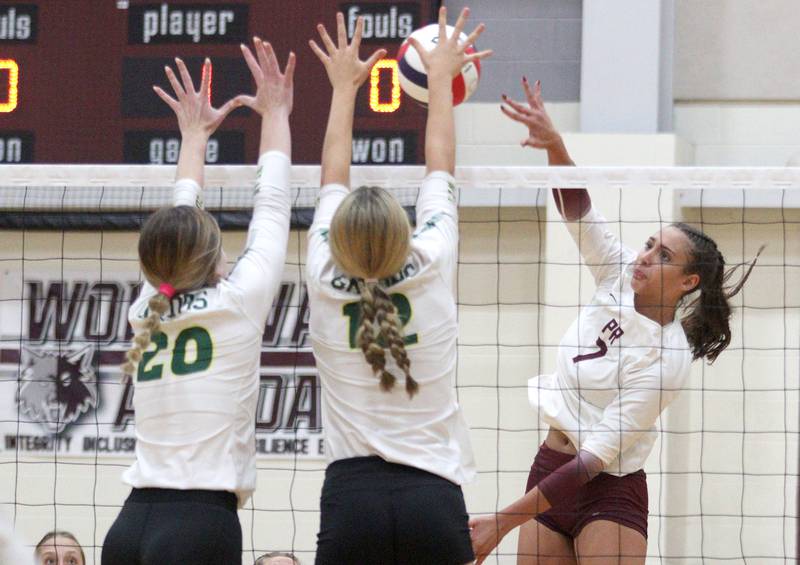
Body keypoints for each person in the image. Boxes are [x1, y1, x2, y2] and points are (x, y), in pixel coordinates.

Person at [468, 79, 762, 564]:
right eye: (649, 243)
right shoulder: (619, 276)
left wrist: (504, 521)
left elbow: (594, 460)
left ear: (688, 282)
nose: (645, 256)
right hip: (550, 466)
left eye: (662, 255)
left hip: (608, 489)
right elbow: (578, 213)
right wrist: (554, 145)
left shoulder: (667, 359)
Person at [306, 8, 491, 565]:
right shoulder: (432, 252)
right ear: (402, 230)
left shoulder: (322, 271)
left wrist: (344, 88)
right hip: (432, 498)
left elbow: (332, 174)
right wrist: (439, 79)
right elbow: (441, 161)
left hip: (351, 498)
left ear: (338, 237)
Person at [101, 40, 295, 565]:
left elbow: (179, 222)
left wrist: (192, 137)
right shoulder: (237, 303)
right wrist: (276, 112)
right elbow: (273, 205)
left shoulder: (149, 305)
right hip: (197, 528)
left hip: (128, 527)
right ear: (213, 260)